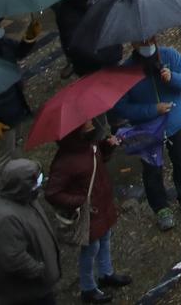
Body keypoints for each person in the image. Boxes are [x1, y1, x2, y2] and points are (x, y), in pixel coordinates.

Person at [109, 38, 181, 229]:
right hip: (147, 130)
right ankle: (161, 207)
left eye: (150, 38)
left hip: (175, 124)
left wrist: (173, 78)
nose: (147, 43)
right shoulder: (126, 71)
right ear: (133, 45)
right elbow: (122, 108)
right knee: (152, 171)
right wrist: (153, 110)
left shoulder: (170, 55)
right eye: (141, 41)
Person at [48, 116, 126, 302]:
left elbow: (99, 162)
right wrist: (80, 201)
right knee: (91, 249)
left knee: (105, 238)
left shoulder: (89, 146)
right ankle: (88, 287)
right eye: (85, 121)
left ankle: (106, 273)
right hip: (88, 212)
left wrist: (107, 147)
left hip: (101, 205)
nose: (91, 121)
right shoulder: (65, 161)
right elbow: (52, 193)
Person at [0, 156, 61, 304]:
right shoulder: (6, 218)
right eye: (36, 181)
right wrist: (40, 270)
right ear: (22, 185)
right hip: (29, 294)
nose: (39, 185)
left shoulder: (28, 198)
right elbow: (13, 257)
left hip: (41, 286)